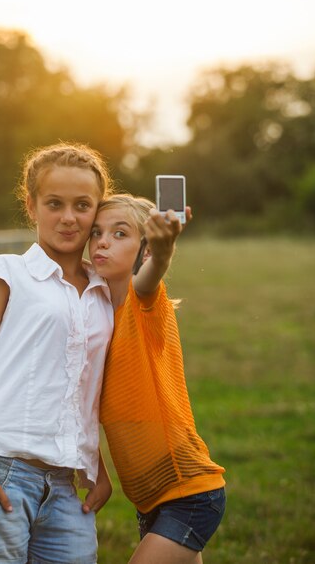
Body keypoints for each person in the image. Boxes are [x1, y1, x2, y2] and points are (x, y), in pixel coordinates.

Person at [0, 143, 115, 564]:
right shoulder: (5, 273)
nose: (68, 217)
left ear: (96, 212)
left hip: (66, 482)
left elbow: (79, 388)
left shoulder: (103, 293)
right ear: (31, 206)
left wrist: (98, 466)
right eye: (54, 203)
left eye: (82, 205)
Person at [89, 194, 226, 564]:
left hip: (187, 491)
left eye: (120, 234)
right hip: (150, 502)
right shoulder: (99, 318)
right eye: (97, 233)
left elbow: (150, 278)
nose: (102, 241)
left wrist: (164, 248)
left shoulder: (142, 301)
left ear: (145, 252)